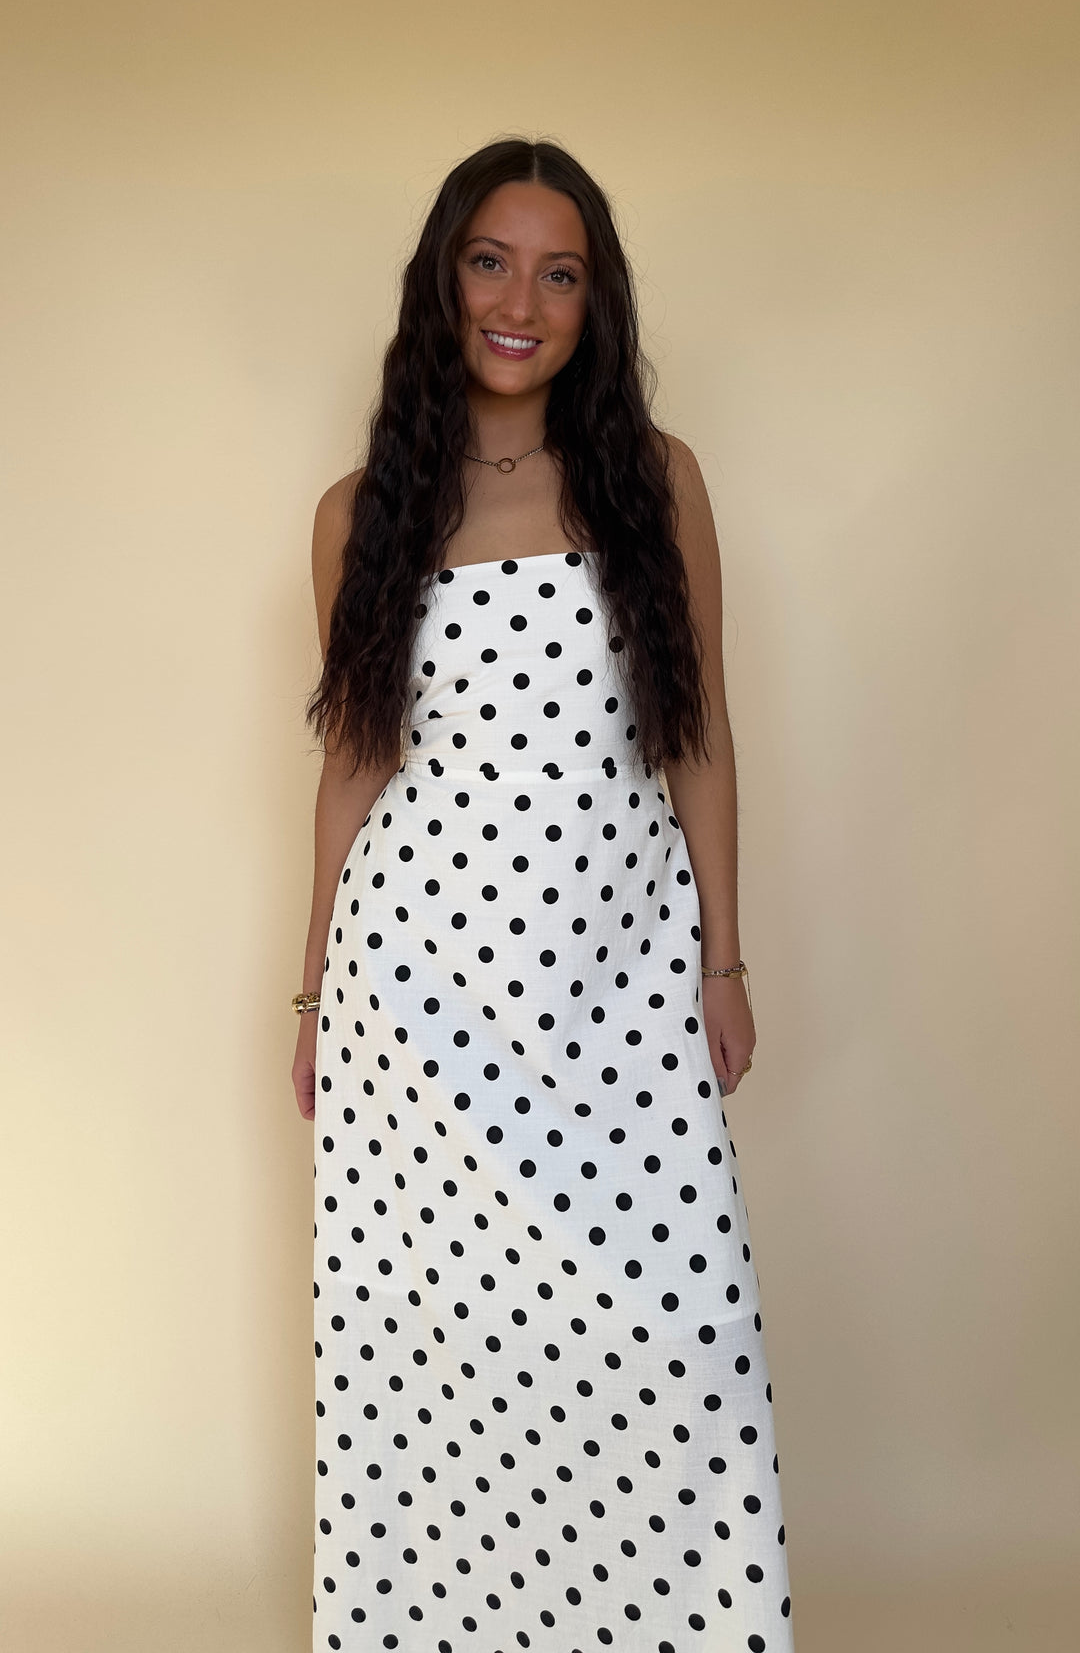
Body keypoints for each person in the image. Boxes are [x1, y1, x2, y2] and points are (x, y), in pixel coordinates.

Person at [292, 137, 794, 1652]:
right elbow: (356, 764)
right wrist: (313, 995)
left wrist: (722, 959)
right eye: (491, 263)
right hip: (418, 1000)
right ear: (443, 281)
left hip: (617, 983)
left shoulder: (654, 479)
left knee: (672, 1337)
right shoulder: (361, 511)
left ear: (597, 303)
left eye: (560, 274)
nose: (520, 304)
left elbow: (696, 729)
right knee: (443, 1362)